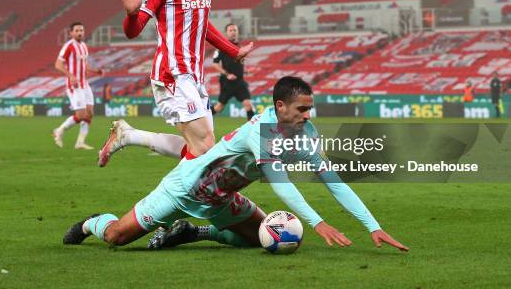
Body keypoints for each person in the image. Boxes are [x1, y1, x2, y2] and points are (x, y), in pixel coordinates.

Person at [63, 77, 408, 252]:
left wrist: (372, 226)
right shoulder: (262, 129)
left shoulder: (306, 135)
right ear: (280, 107)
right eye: (302, 109)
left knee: (263, 239)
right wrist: (317, 222)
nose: (308, 115)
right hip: (184, 190)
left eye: (309, 108)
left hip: (222, 199)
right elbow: (279, 180)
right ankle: (93, 222)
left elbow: (334, 181)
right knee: (116, 238)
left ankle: (192, 232)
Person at [98, 0, 253, 166]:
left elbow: (202, 26)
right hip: (172, 74)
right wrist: (131, 13)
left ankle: (129, 135)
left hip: (194, 75)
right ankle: (161, 203)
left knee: (202, 149)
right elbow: (133, 31)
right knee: (204, 147)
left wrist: (232, 51)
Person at [52, 22, 103, 150]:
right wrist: (71, 76)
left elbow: (84, 65)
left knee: (90, 113)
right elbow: (58, 64)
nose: (80, 32)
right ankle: (59, 130)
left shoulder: (84, 46)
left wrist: (95, 70)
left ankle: (80, 142)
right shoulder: (68, 46)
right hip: (74, 85)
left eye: (81, 30)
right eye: (77, 30)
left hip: (84, 84)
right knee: (81, 115)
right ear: (71, 33)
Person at [211, 23, 255, 120]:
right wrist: (227, 74)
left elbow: (239, 63)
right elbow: (215, 64)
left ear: (237, 32)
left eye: (235, 30)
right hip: (227, 83)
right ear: (226, 33)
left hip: (240, 81)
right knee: (219, 107)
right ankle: (204, 118)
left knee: (248, 105)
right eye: (230, 30)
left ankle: (253, 130)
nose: (233, 32)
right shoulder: (221, 47)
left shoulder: (240, 47)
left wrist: (246, 71)